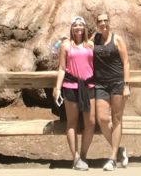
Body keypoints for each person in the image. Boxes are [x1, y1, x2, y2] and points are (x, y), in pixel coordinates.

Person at [54, 16, 96, 170]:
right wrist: (57, 88)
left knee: (90, 122)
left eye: (81, 25)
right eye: (75, 25)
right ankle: (76, 158)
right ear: (71, 28)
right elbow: (61, 67)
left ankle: (83, 155)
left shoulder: (90, 45)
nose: (78, 27)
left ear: (85, 28)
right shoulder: (66, 45)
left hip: (89, 86)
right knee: (72, 122)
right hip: (70, 86)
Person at [93, 10, 130, 171]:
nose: (103, 23)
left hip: (117, 83)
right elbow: (81, 45)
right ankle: (120, 149)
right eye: (100, 21)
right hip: (100, 84)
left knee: (116, 120)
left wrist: (126, 85)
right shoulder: (94, 39)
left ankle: (113, 157)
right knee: (101, 119)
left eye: (105, 20)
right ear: (97, 24)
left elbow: (126, 62)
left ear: (109, 22)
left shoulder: (117, 39)